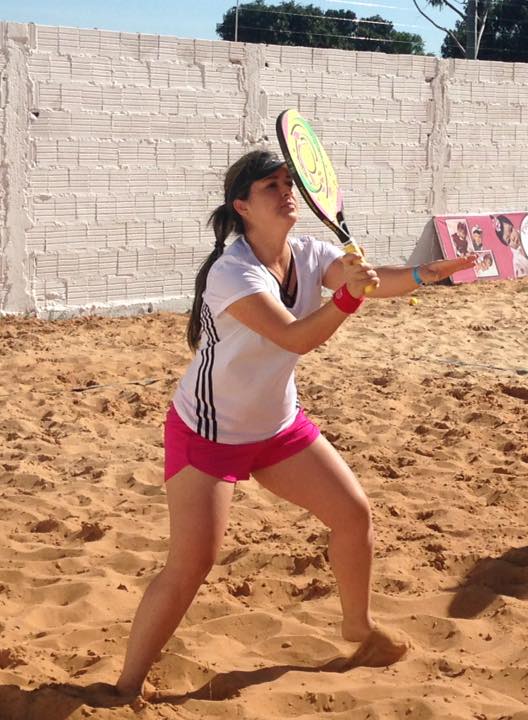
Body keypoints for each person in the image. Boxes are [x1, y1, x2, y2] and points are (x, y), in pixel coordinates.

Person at [111, 149, 476, 700]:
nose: (286, 192)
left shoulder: (308, 252)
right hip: (208, 433)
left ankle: (359, 629)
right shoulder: (232, 272)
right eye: (271, 186)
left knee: (353, 515)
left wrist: (425, 274)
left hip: (277, 427)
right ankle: (124, 688)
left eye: (288, 183)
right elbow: (295, 337)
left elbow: (374, 280)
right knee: (191, 566)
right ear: (242, 206)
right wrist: (349, 297)